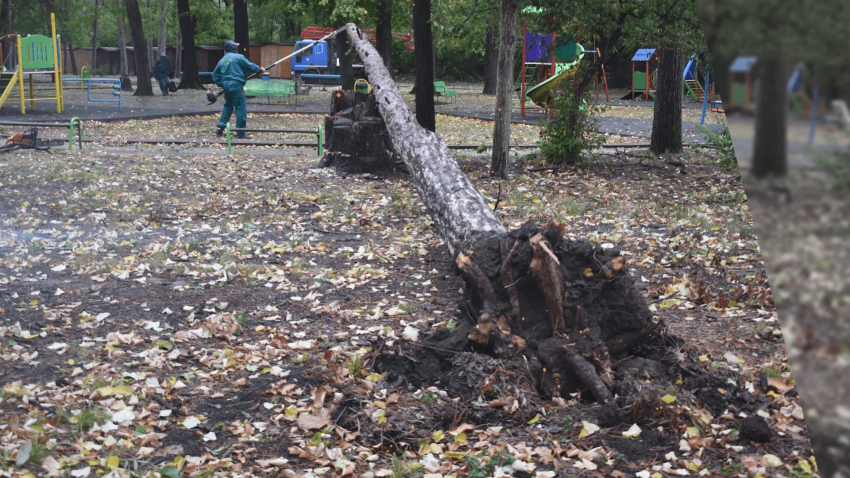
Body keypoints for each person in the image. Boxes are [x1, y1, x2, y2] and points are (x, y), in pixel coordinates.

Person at [212, 40, 265, 139]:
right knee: (240, 107)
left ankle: (220, 127)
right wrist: (259, 69)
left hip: (227, 86)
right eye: (236, 47)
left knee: (228, 106)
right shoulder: (239, 57)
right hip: (236, 85)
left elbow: (215, 75)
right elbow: (249, 66)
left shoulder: (222, 60)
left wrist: (222, 84)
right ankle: (240, 132)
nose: (237, 49)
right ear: (233, 48)